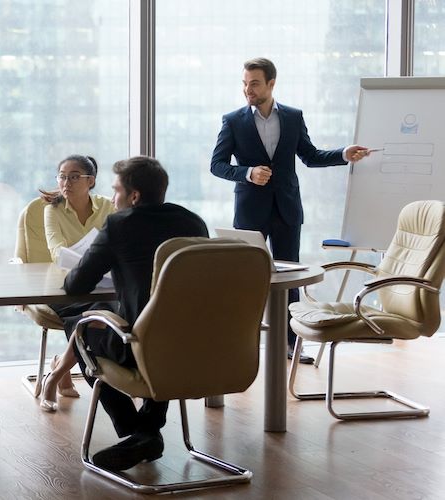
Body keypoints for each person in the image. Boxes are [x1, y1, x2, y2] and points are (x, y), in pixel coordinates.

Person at [210, 57, 372, 364]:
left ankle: (289, 346)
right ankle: (239, 347)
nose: (248, 90)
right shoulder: (232, 120)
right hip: (249, 213)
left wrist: (343, 154)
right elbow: (217, 165)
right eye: (244, 83)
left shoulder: (294, 117)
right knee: (245, 279)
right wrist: (247, 172)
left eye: (254, 83)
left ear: (271, 83)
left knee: (289, 279)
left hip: (286, 208)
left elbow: (309, 156)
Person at [60, 156, 208, 471]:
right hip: (195, 347)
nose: (113, 199)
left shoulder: (120, 224)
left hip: (141, 347)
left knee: (79, 324)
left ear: (134, 196)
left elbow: (76, 283)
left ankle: (137, 432)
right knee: (152, 323)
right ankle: (147, 430)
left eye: (116, 191)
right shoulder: (194, 222)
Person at [38, 155, 116, 412]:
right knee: (89, 317)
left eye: (73, 177)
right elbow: (56, 251)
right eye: (61, 176)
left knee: (104, 313)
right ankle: (58, 375)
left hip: (102, 282)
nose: (65, 182)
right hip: (64, 284)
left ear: (90, 181)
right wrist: (93, 260)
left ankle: (58, 370)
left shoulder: (107, 206)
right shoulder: (53, 210)